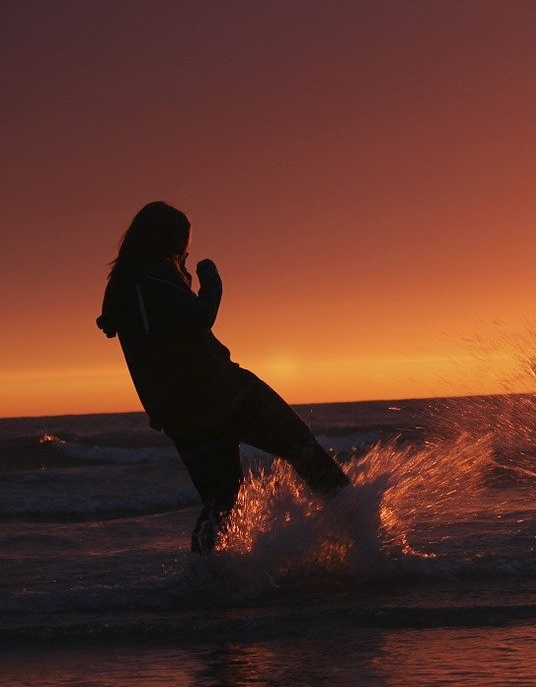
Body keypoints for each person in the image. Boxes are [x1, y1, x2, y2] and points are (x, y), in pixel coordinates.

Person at [96, 201, 350, 554]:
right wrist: (210, 277)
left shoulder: (127, 288)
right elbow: (199, 319)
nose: (186, 248)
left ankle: (206, 577)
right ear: (167, 239)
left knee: (221, 501)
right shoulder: (150, 281)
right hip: (225, 393)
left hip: (183, 416)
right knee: (304, 451)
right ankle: (363, 531)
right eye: (183, 239)